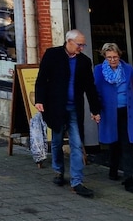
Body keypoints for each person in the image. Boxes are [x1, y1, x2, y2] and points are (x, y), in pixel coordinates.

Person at [34, 29, 101, 198]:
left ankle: (76, 181)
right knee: (56, 140)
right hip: (56, 106)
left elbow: (90, 86)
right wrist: (40, 100)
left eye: (83, 45)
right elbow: (42, 79)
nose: (82, 48)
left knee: (77, 144)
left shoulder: (84, 62)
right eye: (79, 44)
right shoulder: (52, 54)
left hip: (74, 108)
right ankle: (58, 171)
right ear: (69, 42)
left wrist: (95, 109)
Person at [94, 43, 133, 193]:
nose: (112, 60)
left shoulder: (128, 70)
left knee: (128, 143)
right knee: (114, 142)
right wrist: (95, 111)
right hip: (109, 112)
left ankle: (129, 179)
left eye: (115, 57)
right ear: (104, 57)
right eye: (109, 57)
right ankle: (113, 170)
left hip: (127, 111)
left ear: (119, 56)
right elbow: (95, 92)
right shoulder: (99, 71)